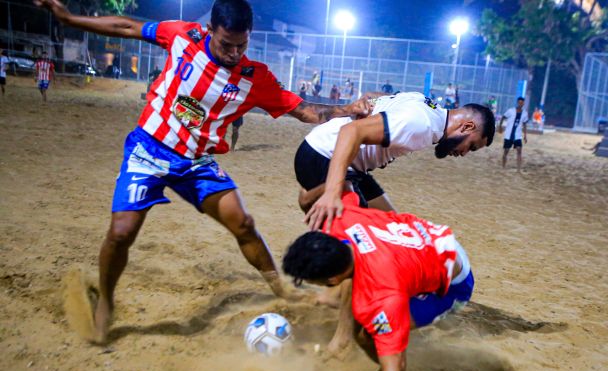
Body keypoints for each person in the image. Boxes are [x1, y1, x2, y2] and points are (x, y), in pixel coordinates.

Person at [35, 0, 371, 345]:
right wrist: (67, 17)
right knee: (121, 233)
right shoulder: (183, 36)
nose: (234, 52)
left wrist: (348, 110)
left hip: (196, 163)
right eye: (227, 44)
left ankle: (279, 287)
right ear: (210, 30)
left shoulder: (255, 78)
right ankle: (106, 300)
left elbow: (304, 111)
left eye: (242, 45)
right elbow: (126, 27)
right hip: (149, 150)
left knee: (243, 224)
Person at [283, 191, 475, 371]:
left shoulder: (382, 299)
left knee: (370, 340)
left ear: (332, 278)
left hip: (452, 286)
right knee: (362, 326)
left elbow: (397, 368)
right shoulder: (341, 218)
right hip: (426, 243)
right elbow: (342, 189)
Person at [296, 92, 496, 230]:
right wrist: (332, 193)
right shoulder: (421, 124)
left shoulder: (428, 104)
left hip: (351, 165)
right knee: (364, 240)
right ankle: (320, 193)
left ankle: (312, 195)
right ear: (468, 126)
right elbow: (351, 131)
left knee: (393, 226)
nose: (464, 153)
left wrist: (367, 102)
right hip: (323, 156)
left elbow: (374, 97)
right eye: (471, 146)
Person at [499, 97, 528, 173]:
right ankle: (503, 167)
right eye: (519, 102)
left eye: (522, 102)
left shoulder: (525, 113)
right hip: (508, 134)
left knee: (519, 150)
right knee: (506, 151)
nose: (520, 104)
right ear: (517, 102)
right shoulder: (511, 111)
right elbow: (503, 117)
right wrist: (500, 126)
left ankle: (518, 169)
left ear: (523, 103)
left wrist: (525, 136)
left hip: (518, 135)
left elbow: (525, 124)